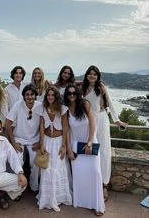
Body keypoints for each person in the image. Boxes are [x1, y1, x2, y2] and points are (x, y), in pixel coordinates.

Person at [82, 65, 127, 202]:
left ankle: (104, 185)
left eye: (94, 74)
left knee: (104, 152)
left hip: (101, 119)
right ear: (86, 75)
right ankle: (91, 183)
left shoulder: (101, 87)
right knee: (89, 150)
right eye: (90, 74)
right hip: (87, 121)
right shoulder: (82, 88)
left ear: (98, 76)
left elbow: (111, 104)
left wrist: (117, 120)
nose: (92, 76)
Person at [63, 83, 105, 216]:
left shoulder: (85, 104)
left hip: (89, 142)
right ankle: (81, 201)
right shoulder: (65, 109)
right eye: (69, 93)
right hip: (75, 145)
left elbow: (93, 123)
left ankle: (97, 204)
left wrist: (90, 142)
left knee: (95, 172)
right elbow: (66, 131)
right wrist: (69, 149)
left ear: (78, 94)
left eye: (74, 93)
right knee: (79, 175)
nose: (71, 95)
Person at [37, 86, 72, 212]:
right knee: (47, 169)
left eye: (52, 95)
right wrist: (41, 144)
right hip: (47, 141)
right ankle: (47, 198)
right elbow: (41, 126)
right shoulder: (42, 108)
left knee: (57, 169)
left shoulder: (62, 109)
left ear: (56, 96)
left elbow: (65, 127)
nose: (50, 97)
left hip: (58, 143)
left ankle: (58, 197)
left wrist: (64, 146)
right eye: (48, 95)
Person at [5, 84, 41, 193]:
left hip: (34, 139)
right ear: (24, 96)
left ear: (35, 95)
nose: (30, 97)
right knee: (17, 162)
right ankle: (17, 189)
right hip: (19, 139)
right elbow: (7, 124)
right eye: (27, 95)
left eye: (32, 94)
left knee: (36, 163)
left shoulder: (40, 106)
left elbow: (44, 126)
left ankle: (34, 186)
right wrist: (13, 142)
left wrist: (40, 141)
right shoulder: (17, 105)